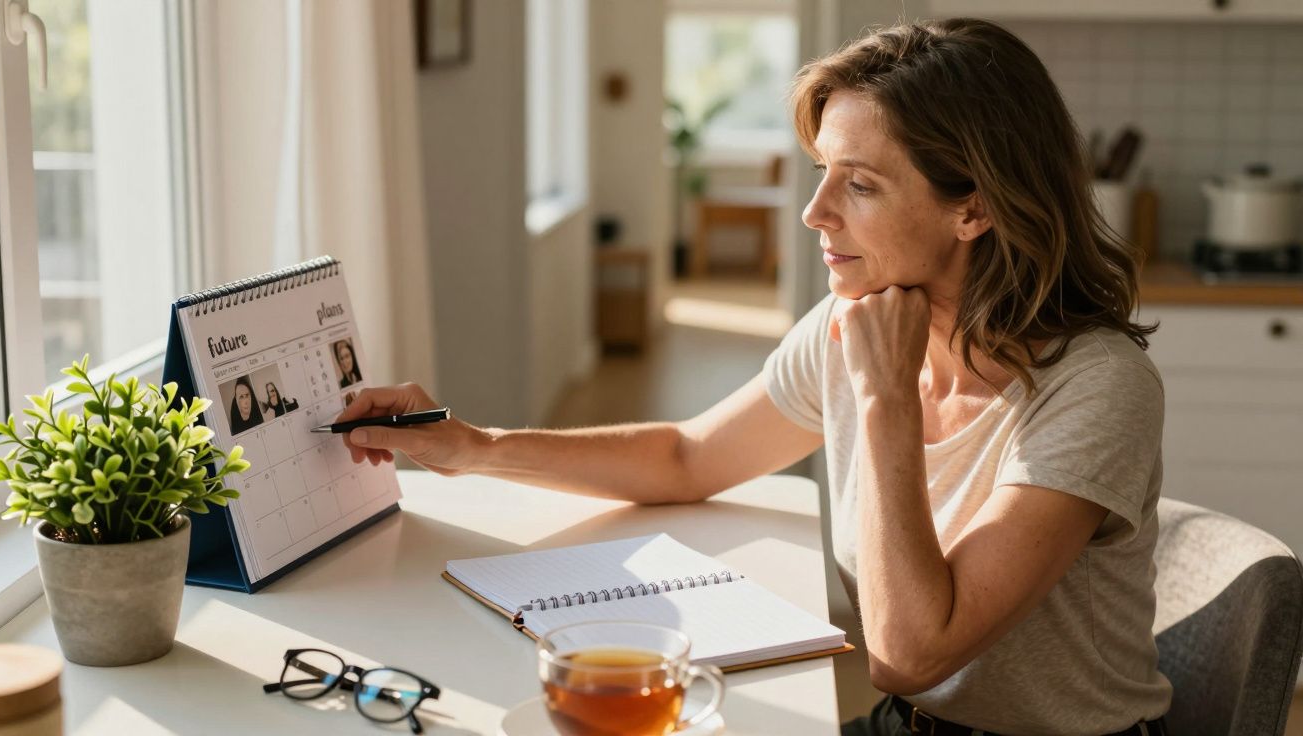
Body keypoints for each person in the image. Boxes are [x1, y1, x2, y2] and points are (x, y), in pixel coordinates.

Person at [333, 18, 1170, 736]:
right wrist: (474, 445)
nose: (816, 213)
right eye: (823, 174)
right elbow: (688, 456)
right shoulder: (855, 324)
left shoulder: (1096, 387)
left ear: (974, 209)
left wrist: (882, 401)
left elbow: (911, 654)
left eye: (862, 185)